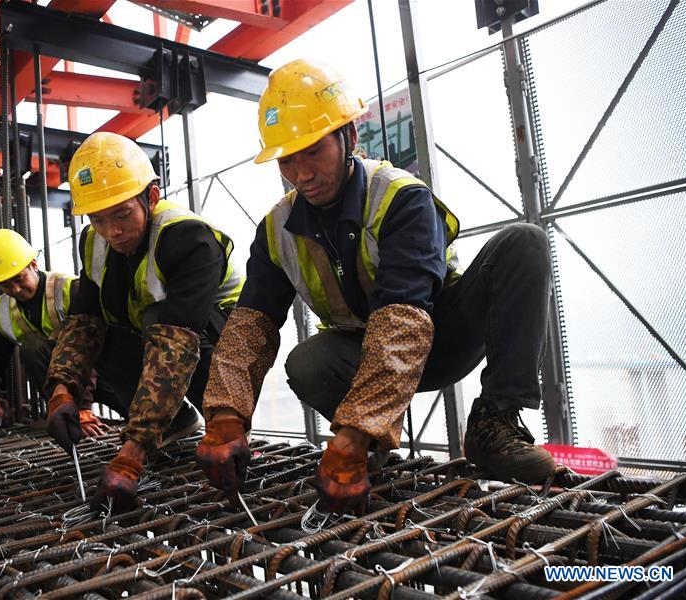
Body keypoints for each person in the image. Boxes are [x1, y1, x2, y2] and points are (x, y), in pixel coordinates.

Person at [196, 59, 556, 514]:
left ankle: (494, 423)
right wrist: (225, 415)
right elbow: (250, 326)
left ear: (348, 136)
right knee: (307, 362)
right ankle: (369, 452)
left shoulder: (400, 197)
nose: (302, 173)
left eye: (313, 151)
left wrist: (355, 430)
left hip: (443, 335)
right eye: (287, 159)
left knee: (524, 242)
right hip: (361, 354)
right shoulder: (277, 229)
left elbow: (404, 320)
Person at [44, 132, 244, 512]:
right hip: (163, 340)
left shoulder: (188, 238)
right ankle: (172, 422)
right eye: (98, 219)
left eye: (122, 214)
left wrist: (131, 455)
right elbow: (84, 322)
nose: (113, 231)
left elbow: (175, 344)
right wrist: (62, 389)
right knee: (105, 333)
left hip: (220, 345)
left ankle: (222, 422)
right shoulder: (95, 243)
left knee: (158, 320)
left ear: (150, 197)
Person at [0, 229, 105, 437]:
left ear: (34, 265)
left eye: (19, 279)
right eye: (6, 285)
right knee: (32, 347)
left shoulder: (70, 289)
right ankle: (61, 410)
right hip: (62, 384)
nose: (16, 290)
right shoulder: (3, 310)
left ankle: (77, 410)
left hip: (100, 372)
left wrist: (83, 407)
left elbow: (87, 348)